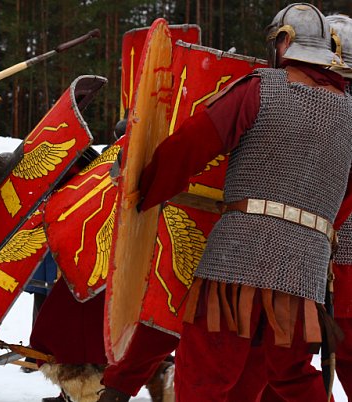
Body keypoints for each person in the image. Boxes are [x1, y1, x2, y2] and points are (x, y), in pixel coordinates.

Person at [136, 3, 351, 401]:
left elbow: (192, 145)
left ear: (284, 43)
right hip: (304, 268)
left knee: (204, 370)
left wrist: (142, 189)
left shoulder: (262, 87)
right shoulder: (351, 116)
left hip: (239, 258)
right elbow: (344, 203)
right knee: (292, 374)